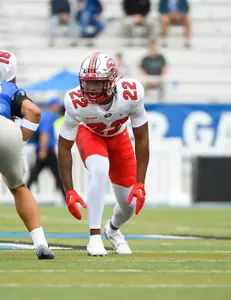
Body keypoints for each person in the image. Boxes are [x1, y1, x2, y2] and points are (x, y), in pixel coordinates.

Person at [58, 52, 149, 256]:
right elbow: (64, 146)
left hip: (119, 137)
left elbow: (142, 138)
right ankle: (94, 237)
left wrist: (140, 183)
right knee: (99, 169)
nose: (89, 88)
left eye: (96, 83)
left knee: (129, 205)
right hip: (90, 134)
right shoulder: (74, 100)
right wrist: (69, 190)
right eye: (86, 83)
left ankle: (113, 230)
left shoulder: (131, 93)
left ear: (110, 82)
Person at [0, 54, 54, 259]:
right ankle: (41, 243)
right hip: (6, 129)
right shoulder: (6, 86)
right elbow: (34, 111)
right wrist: (18, 142)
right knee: (19, 187)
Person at [27, 98, 65, 201]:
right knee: (58, 174)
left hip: (43, 149)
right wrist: (43, 151)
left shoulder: (48, 116)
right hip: (46, 150)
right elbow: (44, 135)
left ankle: (24, 195)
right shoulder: (47, 117)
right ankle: (66, 198)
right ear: (53, 105)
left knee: (35, 174)